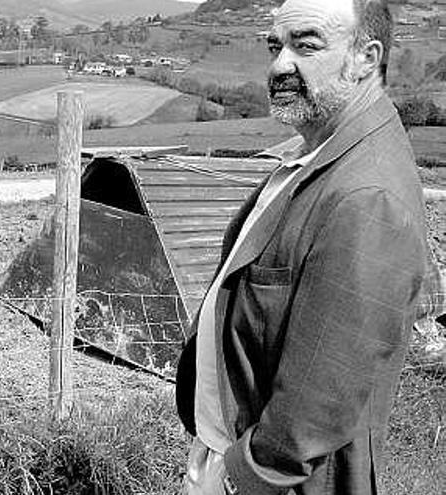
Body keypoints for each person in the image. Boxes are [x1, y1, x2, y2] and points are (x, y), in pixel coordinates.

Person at [175, 0, 430, 493]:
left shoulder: (366, 195)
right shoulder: (318, 154)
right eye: (276, 45)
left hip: (277, 480)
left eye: (305, 44)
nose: (279, 65)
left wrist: (239, 476)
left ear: (366, 57)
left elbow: (322, 395)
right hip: (237, 452)